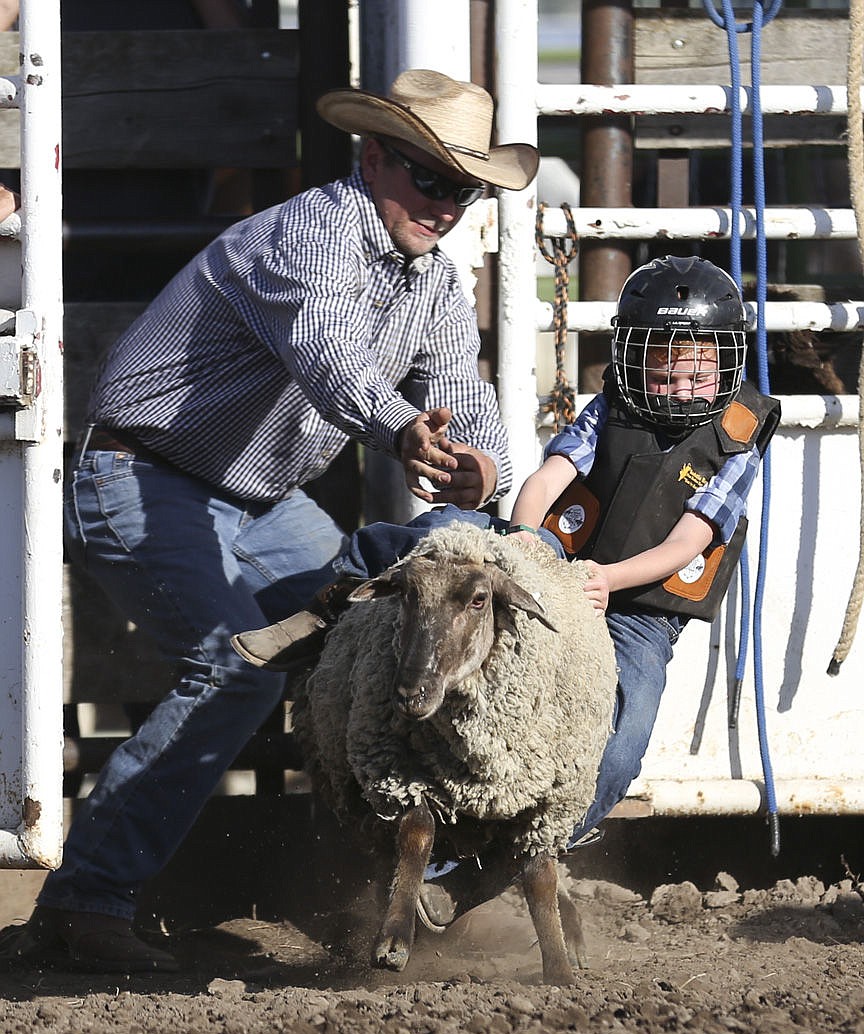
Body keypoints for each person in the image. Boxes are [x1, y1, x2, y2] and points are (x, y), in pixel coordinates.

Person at [0, 69, 538, 973]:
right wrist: (404, 431)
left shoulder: (435, 283)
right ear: (374, 159)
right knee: (233, 668)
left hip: (255, 496)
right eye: (432, 180)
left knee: (367, 639)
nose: (448, 207)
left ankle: (388, 889)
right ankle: (87, 899)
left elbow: (463, 392)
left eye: (465, 189)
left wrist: (482, 468)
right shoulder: (308, 233)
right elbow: (327, 355)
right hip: (141, 474)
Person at [236, 254, 780, 930]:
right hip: (556, 558)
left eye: (699, 361)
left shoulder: (737, 441)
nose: (681, 377)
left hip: (637, 605)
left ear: (725, 360)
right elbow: (553, 473)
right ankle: (331, 607)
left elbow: (688, 543)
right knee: (443, 528)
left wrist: (608, 581)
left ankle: (477, 881)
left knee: (622, 734)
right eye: (664, 358)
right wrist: (523, 536)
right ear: (634, 354)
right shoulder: (612, 404)